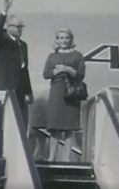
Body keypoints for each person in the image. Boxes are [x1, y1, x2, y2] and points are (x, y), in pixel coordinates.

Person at [43, 28, 86, 162]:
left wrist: (68, 69)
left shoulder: (77, 55)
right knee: (54, 127)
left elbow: (81, 74)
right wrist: (57, 70)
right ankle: (51, 158)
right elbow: (46, 74)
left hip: (71, 92)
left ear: (71, 39)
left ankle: (66, 158)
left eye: (66, 38)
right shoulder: (52, 56)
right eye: (61, 38)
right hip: (56, 90)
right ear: (57, 40)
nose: (64, 41)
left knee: (69, 127)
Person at [0, 0, 34, 129]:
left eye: (21, 27)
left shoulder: (23, 45)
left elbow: (24, 69)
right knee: (3, 120)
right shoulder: (2, 41)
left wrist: (29, 91)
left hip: (20, 89)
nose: (20, 30)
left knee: (19, 122)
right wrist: (5, 11)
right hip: (5, 86)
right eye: (17, 27)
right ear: (9, 27)